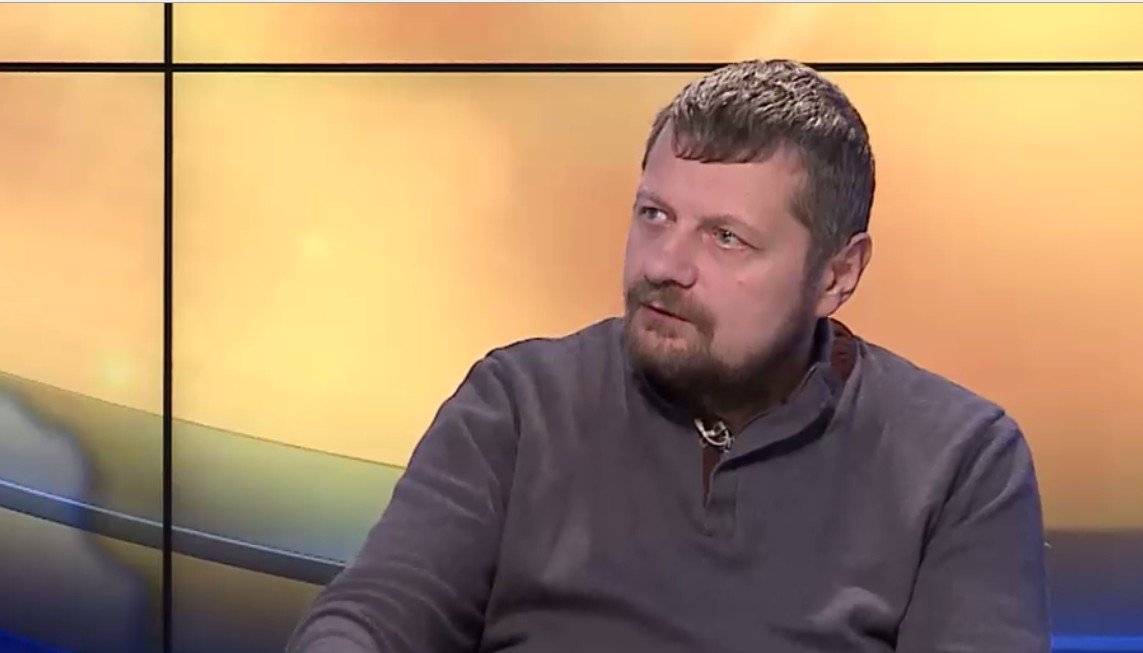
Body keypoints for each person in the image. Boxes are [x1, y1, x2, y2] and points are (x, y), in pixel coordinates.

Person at [286, 59, 1050, 652]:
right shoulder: (519, 404)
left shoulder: (958, 460)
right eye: (654, 214)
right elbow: (379, 612)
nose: (664, 264)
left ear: (835, 274)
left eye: (725, 237)